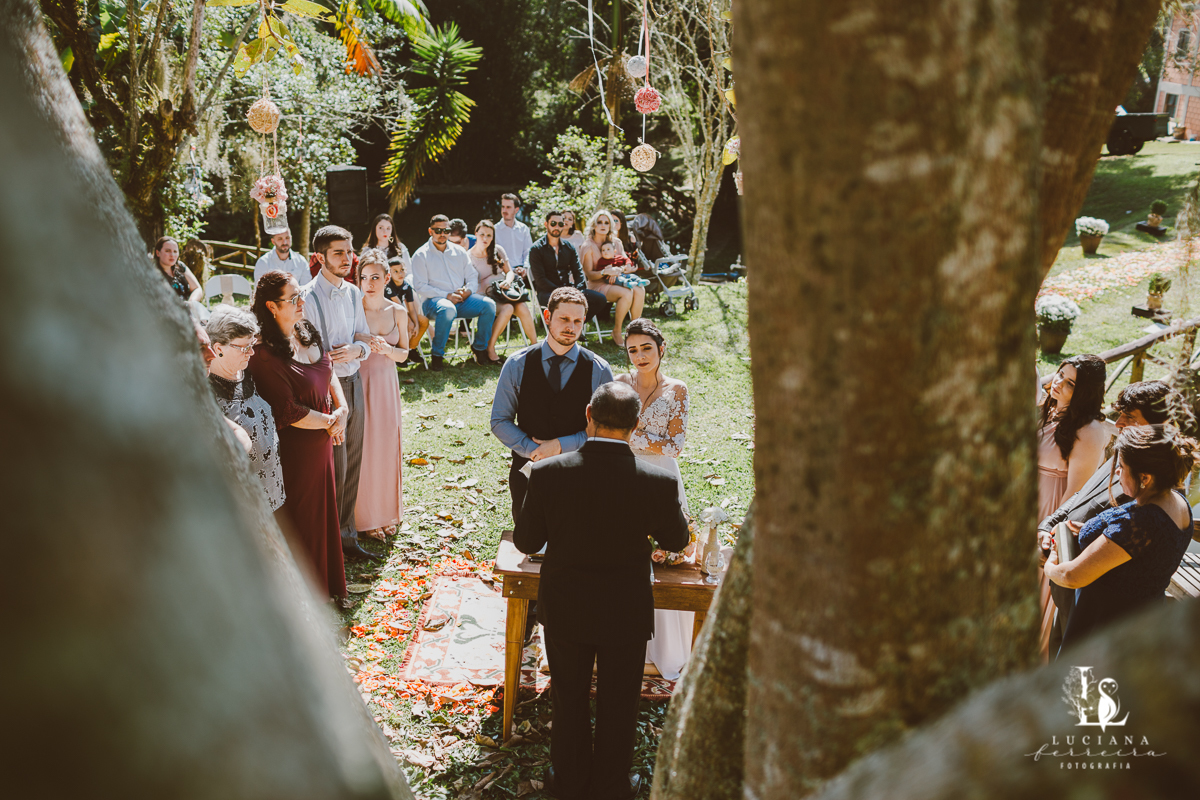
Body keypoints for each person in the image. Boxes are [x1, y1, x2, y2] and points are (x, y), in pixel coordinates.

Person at [514, 381, 689, 800]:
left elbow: (526, 541)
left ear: (588, 415)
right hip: (625, 609)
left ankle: (569, 782)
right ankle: (611, 786)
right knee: (620, 701)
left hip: (566, 605)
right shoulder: (658, 481)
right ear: (636, 424)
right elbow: (678, 540)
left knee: (568, 695)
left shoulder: (547, 473)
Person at [1037, 380, 1172, 654]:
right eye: (1120, 414)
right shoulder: (1124, 451)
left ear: (1159, 424)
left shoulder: (1156, 486)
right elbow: (1082, 494)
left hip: (1095, 607)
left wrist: (1051, 562)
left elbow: (1128, 543)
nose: (1119, 423)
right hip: (1069, 590)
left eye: (1129, 417)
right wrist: (1048, 524)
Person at [1045, 424, 1196, 656]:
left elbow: (1072, 576)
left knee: (1085, 678)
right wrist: (1100, 533)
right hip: (1143, 620)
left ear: (1145, 477)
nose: (1116, 472)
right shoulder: (1178, 502)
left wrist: (1050, 563)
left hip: (1102, 625)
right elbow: (1144, 551)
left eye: (1122, 467)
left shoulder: (1137, 524)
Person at [248, 271, 348, 600]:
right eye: (293, 298)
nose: (301, 301)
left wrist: (343, 408)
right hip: (296, 451)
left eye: (299, 294)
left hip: (323, 442)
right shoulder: (263, 355)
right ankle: (307, 598)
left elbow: (328, 369)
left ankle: (327, 585)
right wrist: (331, 421)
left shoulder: (304, 329)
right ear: (271, 306)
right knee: (304, 518)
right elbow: (288, 411)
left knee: (324, 513)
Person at [492, 287, 616, 521]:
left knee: (577, 536)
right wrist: (534, 451)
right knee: (529, 536)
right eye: (564, 319)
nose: (571, 327)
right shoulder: (517, 364)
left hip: (581, 472)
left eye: (578, 321)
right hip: (527, 473)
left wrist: (560, 446)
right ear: (547, 317)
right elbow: (500, 420)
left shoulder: (599, 369)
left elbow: (606, 430)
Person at [614, 318, 692, 679]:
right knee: (622, 550)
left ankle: (664, 646)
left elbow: (674, 445)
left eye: (646, 348)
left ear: (661, 349)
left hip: (661, 474)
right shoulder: (619, 383)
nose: (640, 356)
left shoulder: (677, 389)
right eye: (633, 350)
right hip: (622, 473)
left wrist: (630, 434)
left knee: (663, 554)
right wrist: (636, 437)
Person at [300, 225, 379, 562]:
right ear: (320, 257)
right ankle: (328, 542)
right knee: (336, 465)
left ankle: (347, 537)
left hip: (354, 381)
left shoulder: (352, 292)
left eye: (349, 252)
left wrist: (358, 350)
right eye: (338, 253)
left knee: (354, 459)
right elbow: (308, 350)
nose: (347, 259)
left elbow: (363, 336)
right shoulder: (307, 296)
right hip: (327, 390)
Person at [1035, 354, 1111, 660]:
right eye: (1059, 374)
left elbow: (1076, 493)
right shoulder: (1049, 409)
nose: (1058, 384)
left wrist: (1046, 532)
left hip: (1049, 510)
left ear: (1085, 392)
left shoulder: (1089, 430)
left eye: (1070, 383)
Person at [205, 305, 286, 512]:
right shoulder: (206, 391)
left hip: (271, 488)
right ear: (218, 348)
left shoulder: (245, 371)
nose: (251, 352)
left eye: (252, 345)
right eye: (244, 348)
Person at [353, 251, 410, 538]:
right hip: (359, 381)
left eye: (375, 277)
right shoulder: (353, 309)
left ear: (387, 278)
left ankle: (387, 513)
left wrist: (388, 349)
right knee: (364, 447)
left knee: (386, 445)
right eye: (364, 278)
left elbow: (404, 354)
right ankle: (365, 517)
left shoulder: (398, 311)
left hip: (387, 384)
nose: (369, 283)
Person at [410, 214, 499, 369]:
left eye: (446, 230)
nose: (442, 234)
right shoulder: (421, 254)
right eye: (438, 230)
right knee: (448, 308)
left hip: (461, 300)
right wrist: (447, 296)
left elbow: (472, 276)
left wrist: (468, 290)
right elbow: (420, 286)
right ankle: (437, 354)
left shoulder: (459, 251)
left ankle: (479, 348)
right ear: (430, 231)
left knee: (489, 305)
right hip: (433, 303)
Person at [470, 219, 538, 359]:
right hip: (486, 296)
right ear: (476, 234)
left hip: (505, 292)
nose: (485, 238)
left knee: (522, 307)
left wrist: (508, 281)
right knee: (508, 309)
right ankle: (490, 347)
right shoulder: (469, 257)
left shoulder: (498, 250)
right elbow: (471, 283)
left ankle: (535, 346)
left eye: (489, 235)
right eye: (482, 234)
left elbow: (509, 272)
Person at [578, 210, 645, 346]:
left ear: (610, 226)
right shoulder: (588, 246)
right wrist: (606, 272)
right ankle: (617, 331)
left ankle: (634, 330)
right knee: (626, 293)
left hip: (618, 280)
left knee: (639, 288)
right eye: (600, 222)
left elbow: (626, 262)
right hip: (597, 284)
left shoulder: (616, 242)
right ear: (594, 225)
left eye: (606, 222)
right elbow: (589, 275)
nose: (603, 225)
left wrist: (621, 270)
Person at [527, 210, 607, 324]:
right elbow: (540, 279)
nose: (557, 227)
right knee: (563, 303)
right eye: (553, 223)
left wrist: (578, 290)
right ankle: (564, 327)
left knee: (600, 299)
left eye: (560, 224)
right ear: (546, 224)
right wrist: (562, 292)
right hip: (547, 292)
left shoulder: (569, 247)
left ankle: (576, 325)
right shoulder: (536, 249)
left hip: (569, 288)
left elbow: (578, 271)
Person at [384, 254, 428, 368]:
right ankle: (401, 353)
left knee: (423, 321)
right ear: (389, 273)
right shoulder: (388, 286)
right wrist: (410, 322)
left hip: (400, 313)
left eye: (402, 270)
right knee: (407, 326)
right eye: (395, 271)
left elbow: (411, 307)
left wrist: (416, 324)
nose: (400, 273)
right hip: (387, 316)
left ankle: (411, 349)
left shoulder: (406, 286)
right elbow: (398, 305)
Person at [154, 236, 204, 303]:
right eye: (167, 251)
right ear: (158, 253)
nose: (172, 255)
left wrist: (191, 303)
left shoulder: (180, 266)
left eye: (175, 251)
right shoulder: (153, 273)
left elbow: (197, 289)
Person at [495, 193, 533, 274]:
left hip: (524, 271)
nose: (504, 210)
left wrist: (525, 268)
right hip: (504, 273)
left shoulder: (524, 229)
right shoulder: (494, 230)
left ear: (516, 210)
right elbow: (494, 257)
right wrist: (512, 270)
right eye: (503, 207)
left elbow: (528, 252)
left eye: (508, 207)